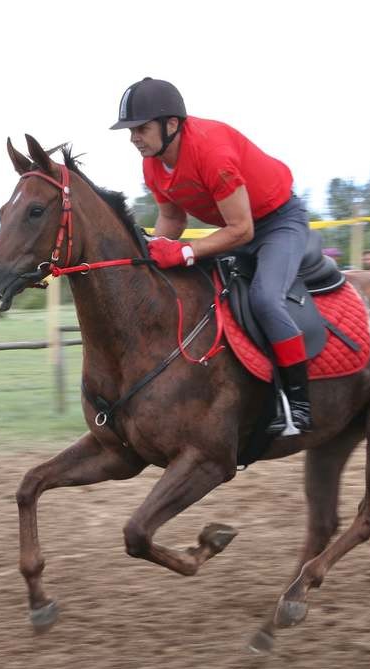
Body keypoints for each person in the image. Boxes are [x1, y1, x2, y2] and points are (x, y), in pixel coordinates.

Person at [110, 77, 318, 433]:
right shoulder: (153, 164)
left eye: (141, 129)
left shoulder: (212, 152)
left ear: (171, 124)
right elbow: (173, 219)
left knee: (266, 300)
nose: (133, 138)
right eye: (130, 131)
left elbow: (242, 230)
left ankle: (298, 405)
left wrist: (186, 251)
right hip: (237, 226)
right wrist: (151, 254)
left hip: (277, 223)